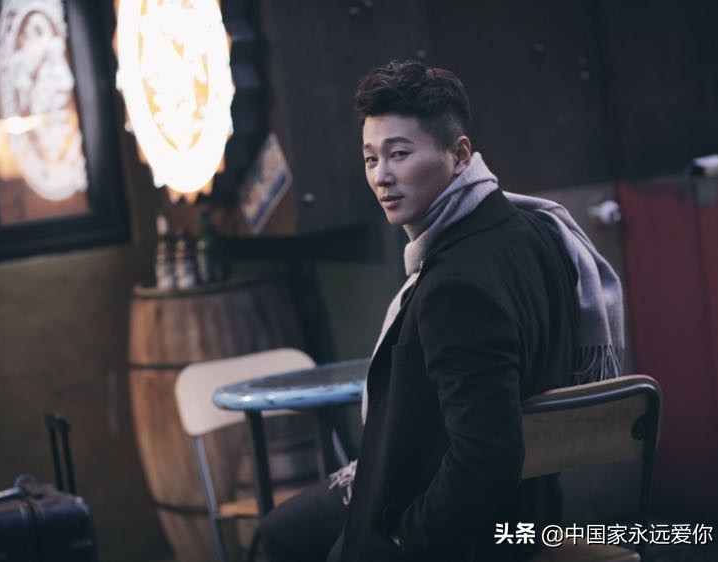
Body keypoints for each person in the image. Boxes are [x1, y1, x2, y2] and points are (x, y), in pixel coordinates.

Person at [259, 59, 623, 562]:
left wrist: (410, 539)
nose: (382, 177)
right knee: (282, 531)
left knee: (283, 539)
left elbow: (488, 456)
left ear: (459, 154)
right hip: (531, 503)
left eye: (400, 154)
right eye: (370, 159)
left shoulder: (456, 286)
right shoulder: (536, 228)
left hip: (476, 530)